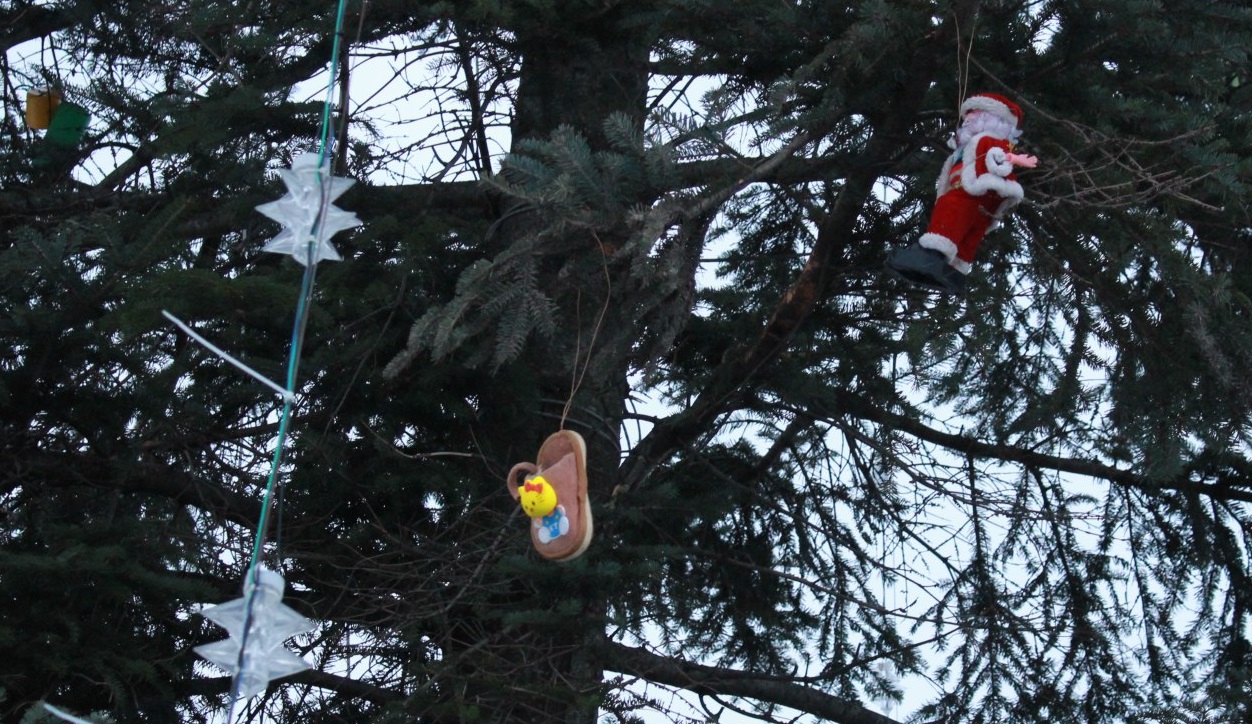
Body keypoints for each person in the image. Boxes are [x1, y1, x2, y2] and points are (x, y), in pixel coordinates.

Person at [886, 93, 1037, 294]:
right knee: (967, 233)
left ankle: (934, 252)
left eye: (974, 113)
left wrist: (996, 174)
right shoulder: (968, 146)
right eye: (968, 114)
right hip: (975, 196)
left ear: (992, 119)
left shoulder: (989, 142)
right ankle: (955, 268)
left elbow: (999, 162)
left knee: (950, 210)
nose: (968, 118)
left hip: (974, 194)